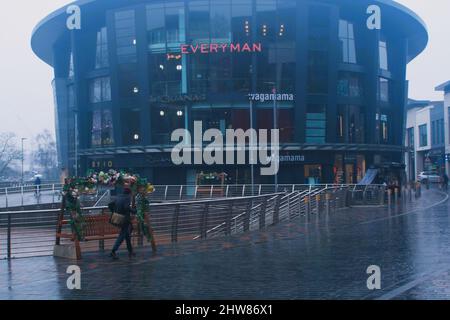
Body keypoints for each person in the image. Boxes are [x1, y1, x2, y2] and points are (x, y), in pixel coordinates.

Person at [109, 187, 136, 260]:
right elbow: (126, 207)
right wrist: (133, 211)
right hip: (124, 219)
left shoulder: (118, 196)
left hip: (117, 217)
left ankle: (130, 251)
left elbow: (110, 204)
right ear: (129, 193)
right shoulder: (127, 198)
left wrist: (114, 212)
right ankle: (113, 251)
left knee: (126, 234)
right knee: (122, 235)